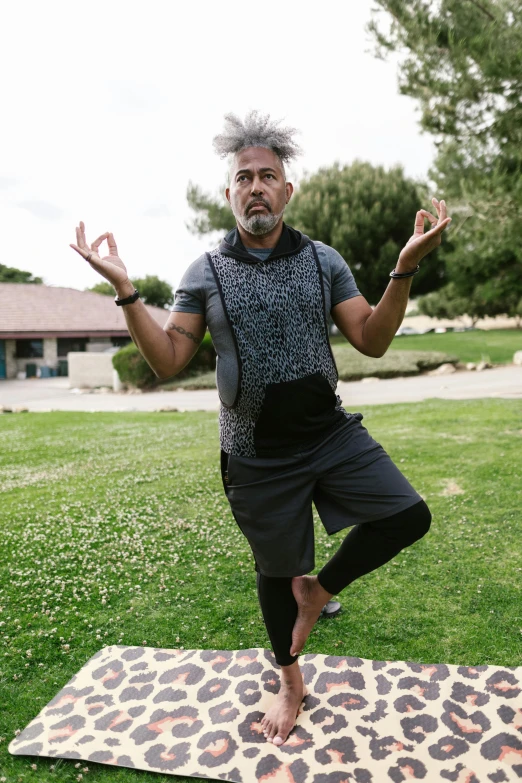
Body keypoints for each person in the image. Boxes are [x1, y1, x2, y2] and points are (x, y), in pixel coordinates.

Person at [70, 110, 452, 749]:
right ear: (229, 195)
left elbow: (374, 339)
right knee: (275, 573)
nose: (255, 187)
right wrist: (127, 292)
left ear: (286, 190)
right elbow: (167, 361)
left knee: (407, 516)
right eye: (243, 177)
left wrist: (404, 267)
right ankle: (289, 679)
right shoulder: (205, 272)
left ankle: (320, 590)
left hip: (330, 436)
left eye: (267, 176)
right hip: (255, 454)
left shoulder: (324, 260)